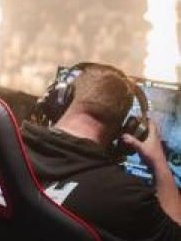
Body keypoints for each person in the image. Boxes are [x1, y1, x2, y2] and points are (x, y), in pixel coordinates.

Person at [22, 62, 181, 241]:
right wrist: (158, 161)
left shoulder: (5, 143)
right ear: (125, 131)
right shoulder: (126, 197)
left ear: (62, 100)